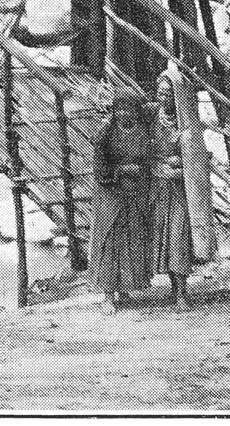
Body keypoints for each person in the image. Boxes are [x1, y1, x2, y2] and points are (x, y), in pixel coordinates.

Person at [87, 89, 153, 314]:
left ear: (136, 111)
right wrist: (122, 170)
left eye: (129, 109)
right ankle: (108, 295)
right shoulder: (106, 131)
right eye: (120, 109)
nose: (124, 113)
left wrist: (139, 172)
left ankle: (124, 287)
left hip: (132, 192)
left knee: (129, 240)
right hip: (110, 194)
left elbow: (147, 160)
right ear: (114, 111)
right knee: (109, 241)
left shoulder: (141, 132)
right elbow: (99, 168)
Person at [150, 72, 196, 309]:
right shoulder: (151, 117)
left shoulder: (186, 123)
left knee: (178, 237)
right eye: (160, 93)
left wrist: (179, 165)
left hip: (179, 190)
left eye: (168, 94)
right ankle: (171, 288)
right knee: (161, 240)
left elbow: (197, 159)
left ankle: (181, 293)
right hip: (157, 189)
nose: (163, 98)